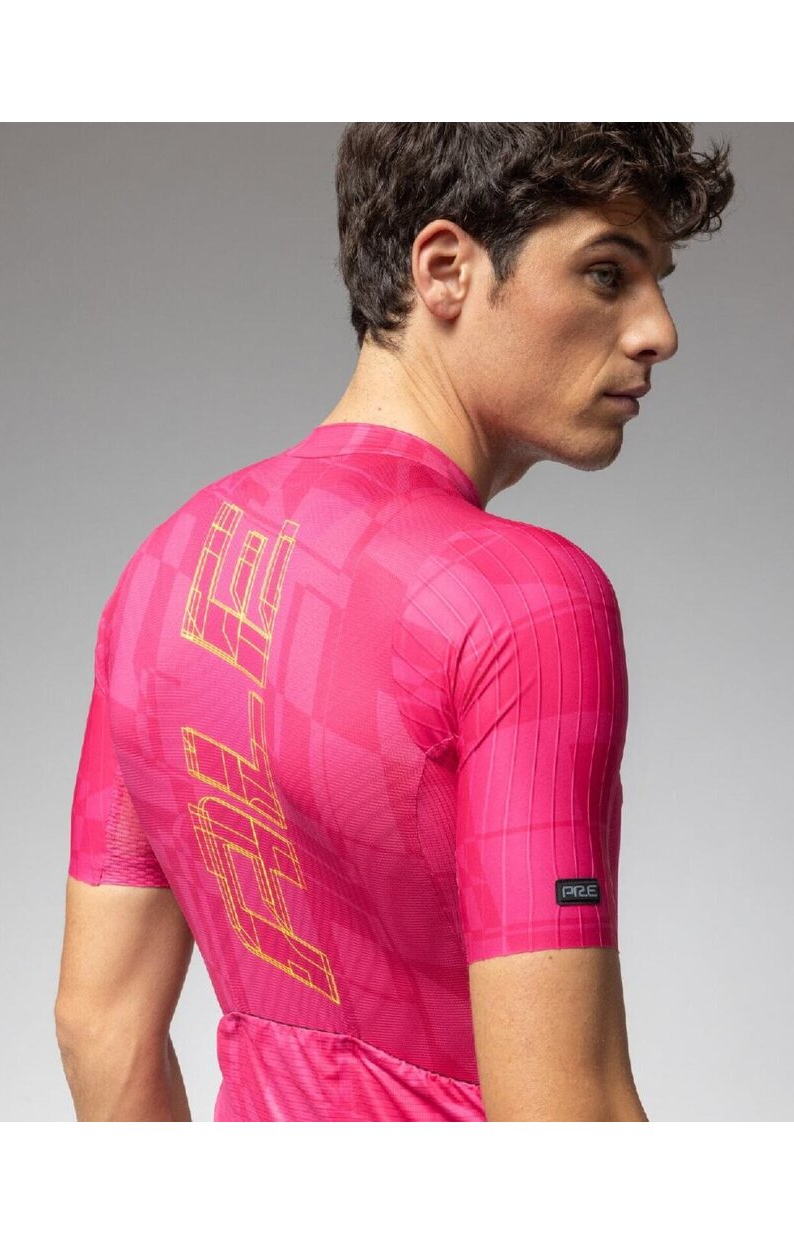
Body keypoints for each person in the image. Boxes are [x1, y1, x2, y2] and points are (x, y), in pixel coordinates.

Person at [54, 123, 735, 1121]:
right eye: (607, 274)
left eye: (657, 283)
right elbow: (568, 1105)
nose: (658, 331)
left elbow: (99, 1024)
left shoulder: (165, 565)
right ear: (446, 269)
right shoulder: (526, 600)